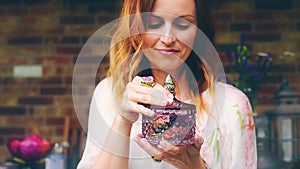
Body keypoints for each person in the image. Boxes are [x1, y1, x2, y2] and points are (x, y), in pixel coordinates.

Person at [77, 0, 257, 168]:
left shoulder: (232, 105)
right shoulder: (110, 94)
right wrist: (123, 120)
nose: (168, 38)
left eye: (182, 24)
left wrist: (194, 165)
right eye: (154, 24)